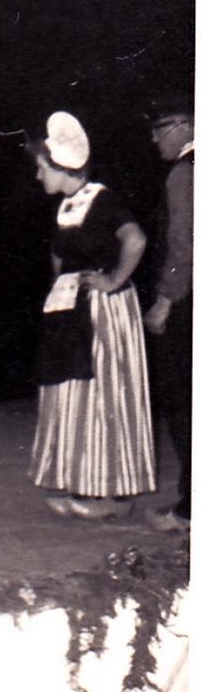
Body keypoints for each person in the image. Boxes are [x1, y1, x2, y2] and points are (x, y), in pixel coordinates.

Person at [29, 110, 155, 519]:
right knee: (76, 393)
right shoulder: (68, 205)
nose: (37, 176)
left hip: (104, 312)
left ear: (60, 166)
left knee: (106, 395)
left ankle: (114, 496)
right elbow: (58, 254)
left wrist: (114, 280)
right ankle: (87, 483)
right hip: (72, 309)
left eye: (41, 168)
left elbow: (135, 239)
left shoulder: (102, 199)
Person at [144, 95, 192, 534]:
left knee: (182, 400)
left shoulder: (184, 172)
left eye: (161, 126)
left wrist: (164, 298)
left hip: (187, 303)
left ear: (187, 125)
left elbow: (184, 244)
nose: (154, 137)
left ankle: (190, 507)